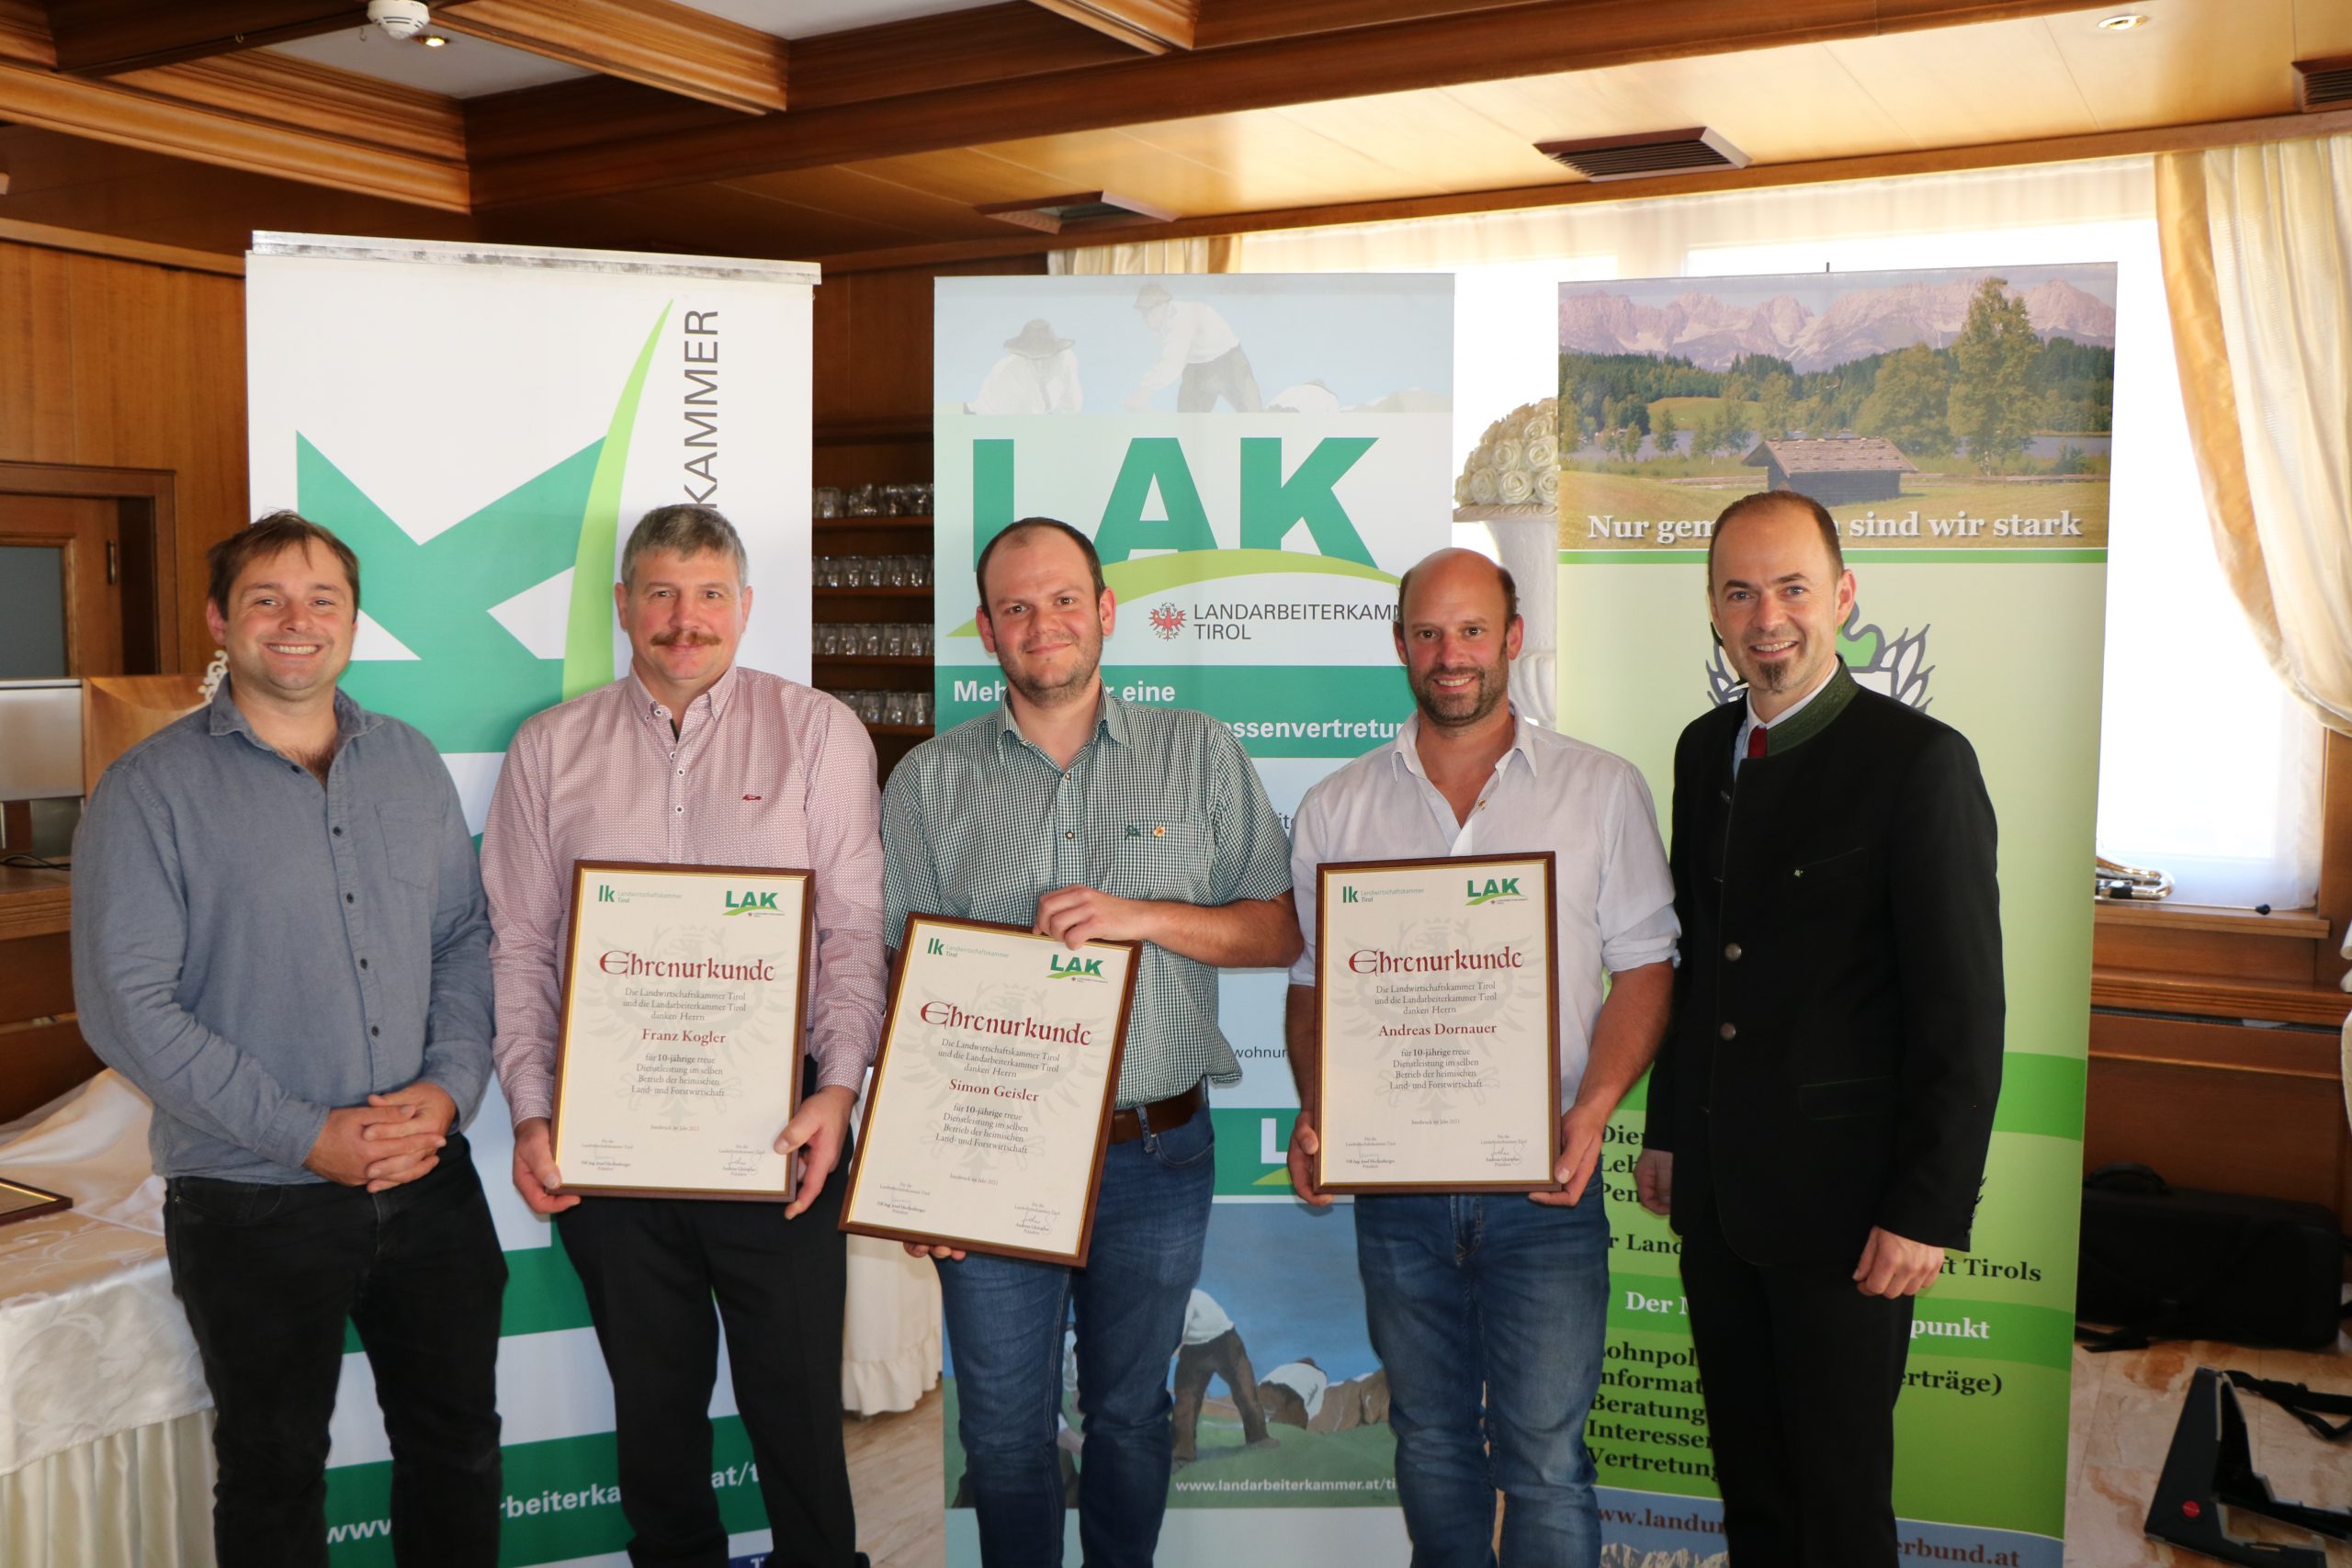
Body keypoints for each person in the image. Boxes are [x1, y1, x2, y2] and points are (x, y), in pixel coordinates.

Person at [73, 513, 504, 1568]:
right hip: (251, 1202)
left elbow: (461, 937)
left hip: (429, 1181)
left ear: (353, 621)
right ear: (221, 621)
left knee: (457, 1452)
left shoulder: (407, 761)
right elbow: (127, 1006)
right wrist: (306, 1134)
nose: (296, 621)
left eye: (322, 600)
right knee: (273, 1476)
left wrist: (449, 1089)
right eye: (266, 599)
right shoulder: (149, 790)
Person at [882, 515, 1298, 1567]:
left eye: (1065, 599)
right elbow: (898, 981)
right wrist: (914, 1176)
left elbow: (1276, 930)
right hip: (989, 1161)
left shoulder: (1197, 750)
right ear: (986, 630)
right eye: (1016, 607)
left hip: (1153, 1153)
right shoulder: (927, 781)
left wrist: (1141, 916)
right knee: (1003, 1434)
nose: (1043, 624)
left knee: (1129, 1416)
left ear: (1106, 611)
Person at [481, 503, 884, 1568]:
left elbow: (851, 932)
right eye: (660, 593)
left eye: (708, 594)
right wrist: (530, 1112)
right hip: (609, 1137)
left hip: (779, 1129)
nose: (684, 618)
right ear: (623, 606)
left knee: (798, 1412)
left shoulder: (817, 732)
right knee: (654, 1418)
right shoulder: (550, 747)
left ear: (744, 607)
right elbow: (519, 945)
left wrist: (838, 1092)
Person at [1283, 547, 1677, 1566]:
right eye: (1427, 632)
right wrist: (1321, 1109)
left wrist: (1593, 1111)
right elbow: (1314, 986)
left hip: (1544, 1185)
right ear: (1399, 645)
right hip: (1398, 1195)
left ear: (1512, 639)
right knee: (1429, 1440)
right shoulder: (1336, 807)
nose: (1449, 654)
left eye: (1470, 630)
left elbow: (1645, 968)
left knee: (1545, 1457)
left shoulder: (1599, 790)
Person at [1636, 489, 2003, 1568]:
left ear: (1842, 596)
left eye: (1792, 588)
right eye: (1739, 593)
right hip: (1719, 1200)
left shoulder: (1919, 762)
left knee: (1838, 1508)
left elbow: (1963, 1010)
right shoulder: (1702, 750)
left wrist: (1924, 1209)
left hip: (1850, 1216)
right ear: (1712, 608)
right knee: (1751, 1489)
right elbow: (1698, 961)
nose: (1767, 619)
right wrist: (1668, 1131)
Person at [1170, 1288, 1279, 1468]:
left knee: (1246, 1395)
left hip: (1225, 1343)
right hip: (1192, 1352)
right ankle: (1182, 1455)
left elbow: (1177, 1334)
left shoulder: (1186, 1296)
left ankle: (1259, 1439)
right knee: (1185, 1403)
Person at [1125, 282, 1261, 412]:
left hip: (1230, 363)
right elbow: (1171, 359)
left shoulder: (1180, 319)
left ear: (1161, 306)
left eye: (1147, 312)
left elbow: (1172, 363)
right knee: (1186, 420)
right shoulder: (1162, 326)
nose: (1144, 318)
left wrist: (1143, 392)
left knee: (1253, 416)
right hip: (1197, 369)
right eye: (1142, 312)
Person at [969, 318, 1083, 414]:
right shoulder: (1008, 376)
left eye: (1047, 358)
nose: (1041, 366)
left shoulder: (1067, 361)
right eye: (1034, 360)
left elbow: (1072, 409)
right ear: (1024, 358)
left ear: (1056, 355)